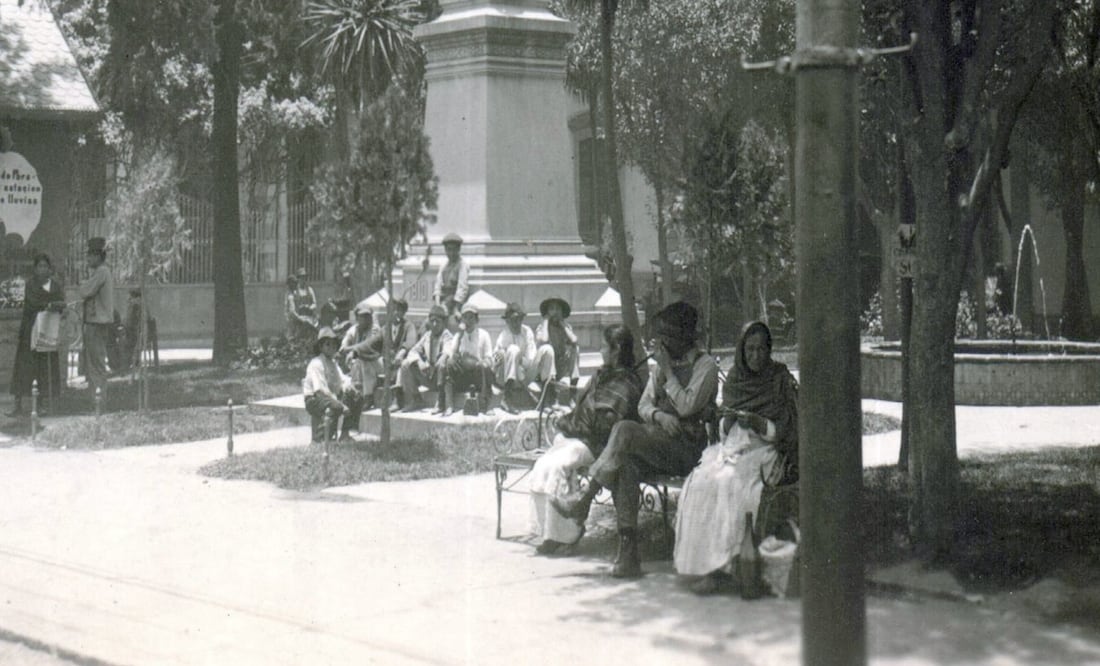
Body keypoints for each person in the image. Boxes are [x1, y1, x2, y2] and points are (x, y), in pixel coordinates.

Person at [552, 302, 718, 578]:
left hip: (689, 450)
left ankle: (583, 501)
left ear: (682, 337)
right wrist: (658, 416)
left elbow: (689, 405)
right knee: (626, 464)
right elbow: (643, 405)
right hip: (660, 442)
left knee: (625, 430)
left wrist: (668, 373)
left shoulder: (705, 366)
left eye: (665, 337)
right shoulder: (662, 366)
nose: (660, 343)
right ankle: (628, 552)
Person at [673, 320, 799, 595]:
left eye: (761, 350)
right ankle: (704, 567)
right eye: (749, 350)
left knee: (730, 484)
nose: (755, 356)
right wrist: (728, 422)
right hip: (732, 448)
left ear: (769, 350)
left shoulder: (779, 379)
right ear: (742, 351)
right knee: (701, 483)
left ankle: (727, 565)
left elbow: (788, 431)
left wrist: (760, 424)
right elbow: (723, 427)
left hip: (765, 452)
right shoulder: (735, 380)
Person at [529, 325, 644, 554]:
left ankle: (569, 536)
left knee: (560, 465)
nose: (601, 351)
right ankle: (550, 534)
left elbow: (605, 424)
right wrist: (574, 423)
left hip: (602, 446)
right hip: (582, 437)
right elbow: (585, 409)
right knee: (543, 465)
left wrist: (576, 424)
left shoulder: (628, 383)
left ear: (617, 349)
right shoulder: (601, 376)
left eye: (603, 346)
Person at [8, 253, 65, 417]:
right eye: (39, 266)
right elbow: (33, 303)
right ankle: (17, 404)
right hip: (29, 330)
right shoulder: (30, 285)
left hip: (47, 331)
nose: (43, 269)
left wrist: (56, 305)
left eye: (45, 266)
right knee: (24, 367)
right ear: (35, 269)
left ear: (50, 269)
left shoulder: (55, 286)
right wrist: (50, 304)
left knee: (43, 368)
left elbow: (61, 302)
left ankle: (42, 403)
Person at [303, 327, 364, 443]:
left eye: (334, 345)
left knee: (356, 397)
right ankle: (319, 439)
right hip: (314, 398)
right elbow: (320, 389)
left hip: (330, 396)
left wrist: (350, 387)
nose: (332, 348)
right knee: (336, 407)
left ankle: (345, 434)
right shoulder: (316, 363)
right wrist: (339, 403)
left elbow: (342, 379)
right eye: (327, 345)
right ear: (320, 347)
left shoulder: (333, 363)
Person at [439, 302, 493, 416]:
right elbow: (451, 354)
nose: (468, 321)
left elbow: (489, 358)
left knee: (485, 367)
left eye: (471, 318)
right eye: (465, 318)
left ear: (477, 320)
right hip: (463, 376)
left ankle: (486, 404)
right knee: (448, 364)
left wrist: (480, 362)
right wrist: (455, 353)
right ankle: (449, 405)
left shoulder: (484, 335)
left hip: (478, 375)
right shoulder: (458, 336)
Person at [78, 237, 115, 399]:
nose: (88, 258)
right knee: (93, 362)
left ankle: (100, 399)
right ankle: (95, 398)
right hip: (95, 322)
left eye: (91, 255)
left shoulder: (101, 272)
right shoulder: (100, 272)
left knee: (97, 363)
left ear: (99, 256)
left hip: (97, 323)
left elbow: (85, 291)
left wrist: (83, 283)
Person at [397, 305, 453, 412]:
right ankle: (416, 399)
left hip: (441, 378)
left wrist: (442, 358)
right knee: (405, 364)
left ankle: (441, 402)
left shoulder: (447, 335)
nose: (435, 324)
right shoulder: (427, 336)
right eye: (432, 321)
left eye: (438, 321)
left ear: (443, 323)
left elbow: (447, 351)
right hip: (428, 376)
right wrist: (419, 361)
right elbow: (413, 351)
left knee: (443, 364)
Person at [533, 296, 580, 406]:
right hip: (544, 370)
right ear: (547, 312)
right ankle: (552, 397)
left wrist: (562, 324)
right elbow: (544, 340)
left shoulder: (566, 327)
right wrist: (545, 321)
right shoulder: (542, 327)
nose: (555, 312)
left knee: (575, 349)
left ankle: (572, 394)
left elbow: (574, 340)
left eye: (558, 309)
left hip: (560, 365)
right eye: (552, 309)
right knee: (549, 350)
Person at [492, 302, 537, 414]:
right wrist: (502, 357)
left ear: (522, 319)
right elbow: (495, 363)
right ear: (507, 321)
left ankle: (546, 395)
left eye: (518, 319)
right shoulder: (503, 336)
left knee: (544, 350)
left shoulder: (527, 332)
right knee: (513, 349)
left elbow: (531, 361)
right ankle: (508, 397)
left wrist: (518, 360)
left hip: (524, 374)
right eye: (512, 320)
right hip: (506, 378)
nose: (515, 323)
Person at [340, 302, 382, 410]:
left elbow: (367, 346)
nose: (365, 319)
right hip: (360, 366)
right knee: (357, 361)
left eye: (367, 316)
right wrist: (345, 348)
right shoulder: (355, 329)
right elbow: (345, 343)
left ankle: (368, 397)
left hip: (378, 365)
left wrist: (351, 350)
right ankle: (355, 395)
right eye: (362, 316)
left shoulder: (375, 329)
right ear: (357, 317)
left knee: (363, 359)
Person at [433, 233, 469, 315]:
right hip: (443, 300)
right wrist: (437, 304)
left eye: (454, 250)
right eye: (449, 250)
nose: (451, 253)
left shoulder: (462, 265)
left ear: (458, 249)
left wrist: (456, 308)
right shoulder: (443, 266)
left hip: (455, 301)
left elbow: (462, 287)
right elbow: (438, 285)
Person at [287, 267, 318, 340]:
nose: (303, 280)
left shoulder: (309, 289)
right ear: (298, 279)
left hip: (309, 316)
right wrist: (298, 316)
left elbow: (314, 303)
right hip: (299, 317)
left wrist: (310, 307)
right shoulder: (294, 291)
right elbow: (292, 308)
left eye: (305, 278)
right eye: (301, 278)